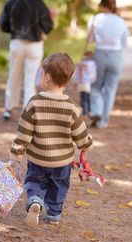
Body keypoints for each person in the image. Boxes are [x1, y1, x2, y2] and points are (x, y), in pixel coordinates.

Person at [9, 53, 93, 227]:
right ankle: (54, 215)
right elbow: (81, 135)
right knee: (59, 187)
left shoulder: (34, 103)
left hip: (37, 159)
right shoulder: (71, 107)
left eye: (41, 74)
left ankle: (35, 201)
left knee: (34, 181)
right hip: (61, 162)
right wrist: (87, 144)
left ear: (46, 77)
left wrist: (16, 154)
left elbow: (23, 133)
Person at [0, 0, 54, 120]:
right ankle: (28, 113)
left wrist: (15, 29)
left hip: (17, 42)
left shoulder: (11, 3)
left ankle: (8, 109)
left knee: (13, 75)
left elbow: (3, 25)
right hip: (35, 44)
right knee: (31, 78)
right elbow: (48, 26)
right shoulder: (39, 3)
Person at [88, 0, 130, 128]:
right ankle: (103, 122)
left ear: (102, 6)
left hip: (100, 54)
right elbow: (124, 44)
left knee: (95, 86)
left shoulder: (95, 19)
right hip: (116, 56)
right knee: (110, 89)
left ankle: (96, 111)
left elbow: (90, 39)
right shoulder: (121, 21)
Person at [75, 51, 97, 116]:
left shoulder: (89, 63)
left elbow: (84, 70)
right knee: (86, 97)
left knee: (84, 98)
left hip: (85, 82)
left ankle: (86, 111)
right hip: (86, 82)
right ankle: (87, 111)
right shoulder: (91, 63)